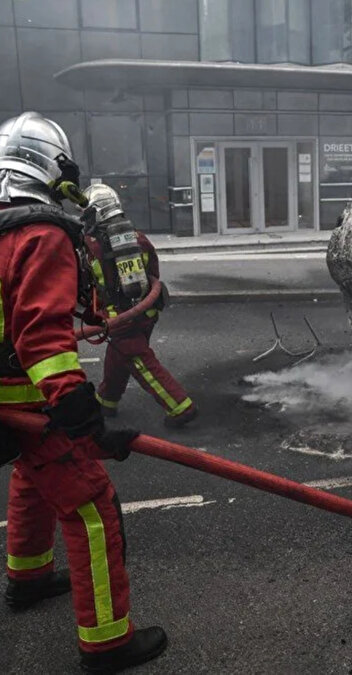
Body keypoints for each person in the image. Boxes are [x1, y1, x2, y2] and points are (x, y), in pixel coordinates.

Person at [0, 112, 167, 672]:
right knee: (91, 505)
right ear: (53, 168)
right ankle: (107, 642)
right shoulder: (38, 232)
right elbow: (41, 337)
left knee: (31, 476)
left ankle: (28, 578)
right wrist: (80, 412)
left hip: (7, 404)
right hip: (27, 396)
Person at [80, 184, 196, 429]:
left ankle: (180, 406)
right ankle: (107, 400)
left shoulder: (91, 246)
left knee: (138, 359)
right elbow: (153, 272)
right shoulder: (138, 237)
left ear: (94, 213)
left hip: (119, 316)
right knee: (119, 355)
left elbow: (87, 285)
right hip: (146, 309)